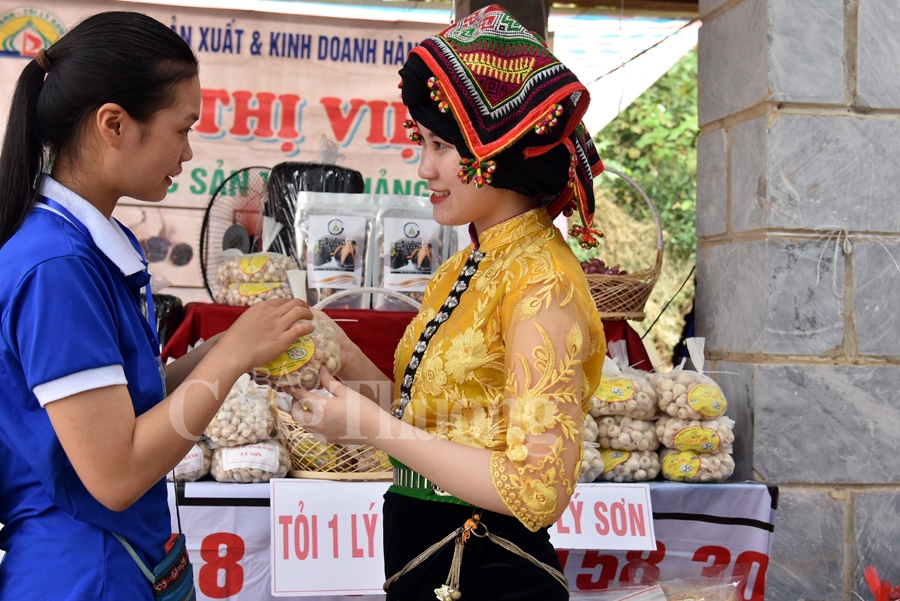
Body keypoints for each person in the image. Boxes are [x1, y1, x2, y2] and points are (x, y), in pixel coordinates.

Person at [290, 6, 607, 600]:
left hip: (488, 572)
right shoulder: (466, 265)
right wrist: (330, 343)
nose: (423, 168)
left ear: (498, 148)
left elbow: (536, 490)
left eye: (440, 146)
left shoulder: (543, 284)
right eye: (423, 143)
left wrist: (374, 429)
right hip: (430, 557)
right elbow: (434, 423)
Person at [0, 12, 311, 600]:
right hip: (84, 573)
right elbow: (116, 472)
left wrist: (229, 347)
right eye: (181, 128)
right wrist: (231, 356)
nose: (189, 151)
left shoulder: (79, 247)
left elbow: (126, 406)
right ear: (114, 124)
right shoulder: (56, 267)